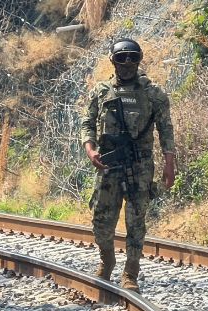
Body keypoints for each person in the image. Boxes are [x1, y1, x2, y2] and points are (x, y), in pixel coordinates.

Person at [79, 38, 176, 291]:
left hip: (140, 166)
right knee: (101, 220)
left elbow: (166, 130)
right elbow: (87, 123)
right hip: (109, 165)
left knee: (136, 221)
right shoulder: (101, 91)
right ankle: (107, 261)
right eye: (122, 58)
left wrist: (169, 162)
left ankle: (130, 273)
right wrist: (90, 150)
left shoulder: (153, 94)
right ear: (113, 61)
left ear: (140, 59)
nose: (128, 63)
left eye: (133, 57)